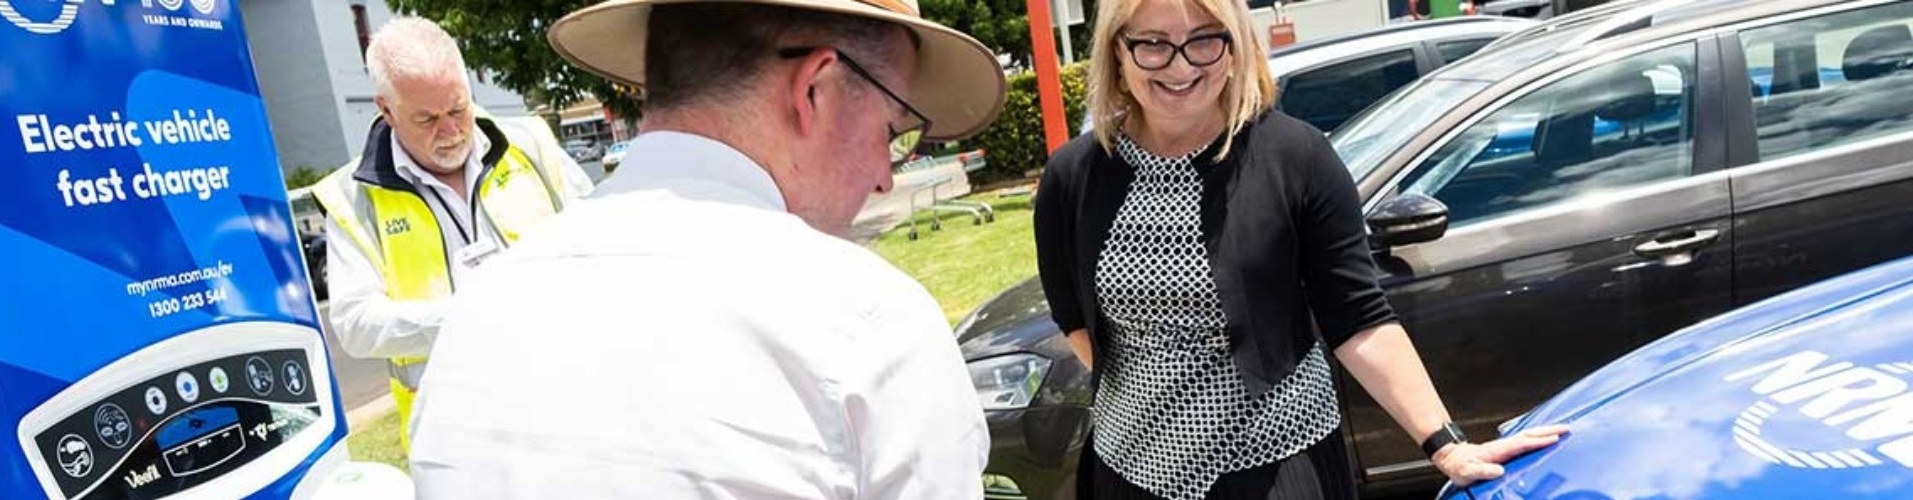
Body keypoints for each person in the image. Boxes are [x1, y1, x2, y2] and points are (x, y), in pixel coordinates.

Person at [405, 0, 1007, 497]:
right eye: (892, 130)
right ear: (815, 90)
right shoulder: (872, 325)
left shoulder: (475, 315)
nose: (884, 176)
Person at [1031, 0, 1569, 498]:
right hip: (1132, 472)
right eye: (1152, 43)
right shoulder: (1072, 176)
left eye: (1203, 40)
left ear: (1235, 46)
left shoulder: (1295, 156)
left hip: (1278, 466)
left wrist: (1446, 444)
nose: (1180, 65)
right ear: (1117, 51)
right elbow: (1074, 318)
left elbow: (1357, 317)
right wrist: (1167, 402)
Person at [311, 17, 593, 449]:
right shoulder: (353, 198)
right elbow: (355, 323)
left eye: (458, 109)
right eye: (426, 119)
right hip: (455, 438)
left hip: (567, 404)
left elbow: (599, 242)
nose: (451, 131)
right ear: (386, 110)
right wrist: (468, 315)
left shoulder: (531, 144)